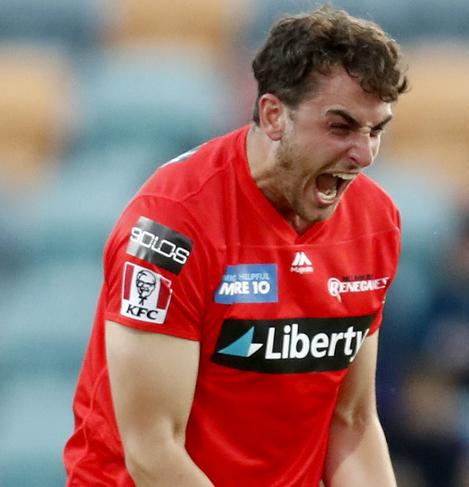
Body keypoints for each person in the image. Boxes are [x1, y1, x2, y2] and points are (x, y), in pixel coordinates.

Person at [63, 6, 408, 486]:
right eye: (341, 127)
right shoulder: (171, 227)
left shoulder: (375, 222)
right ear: (273, 115)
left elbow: (350, 421)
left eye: (377, 130)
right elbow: (152, 450)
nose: (364, 154)